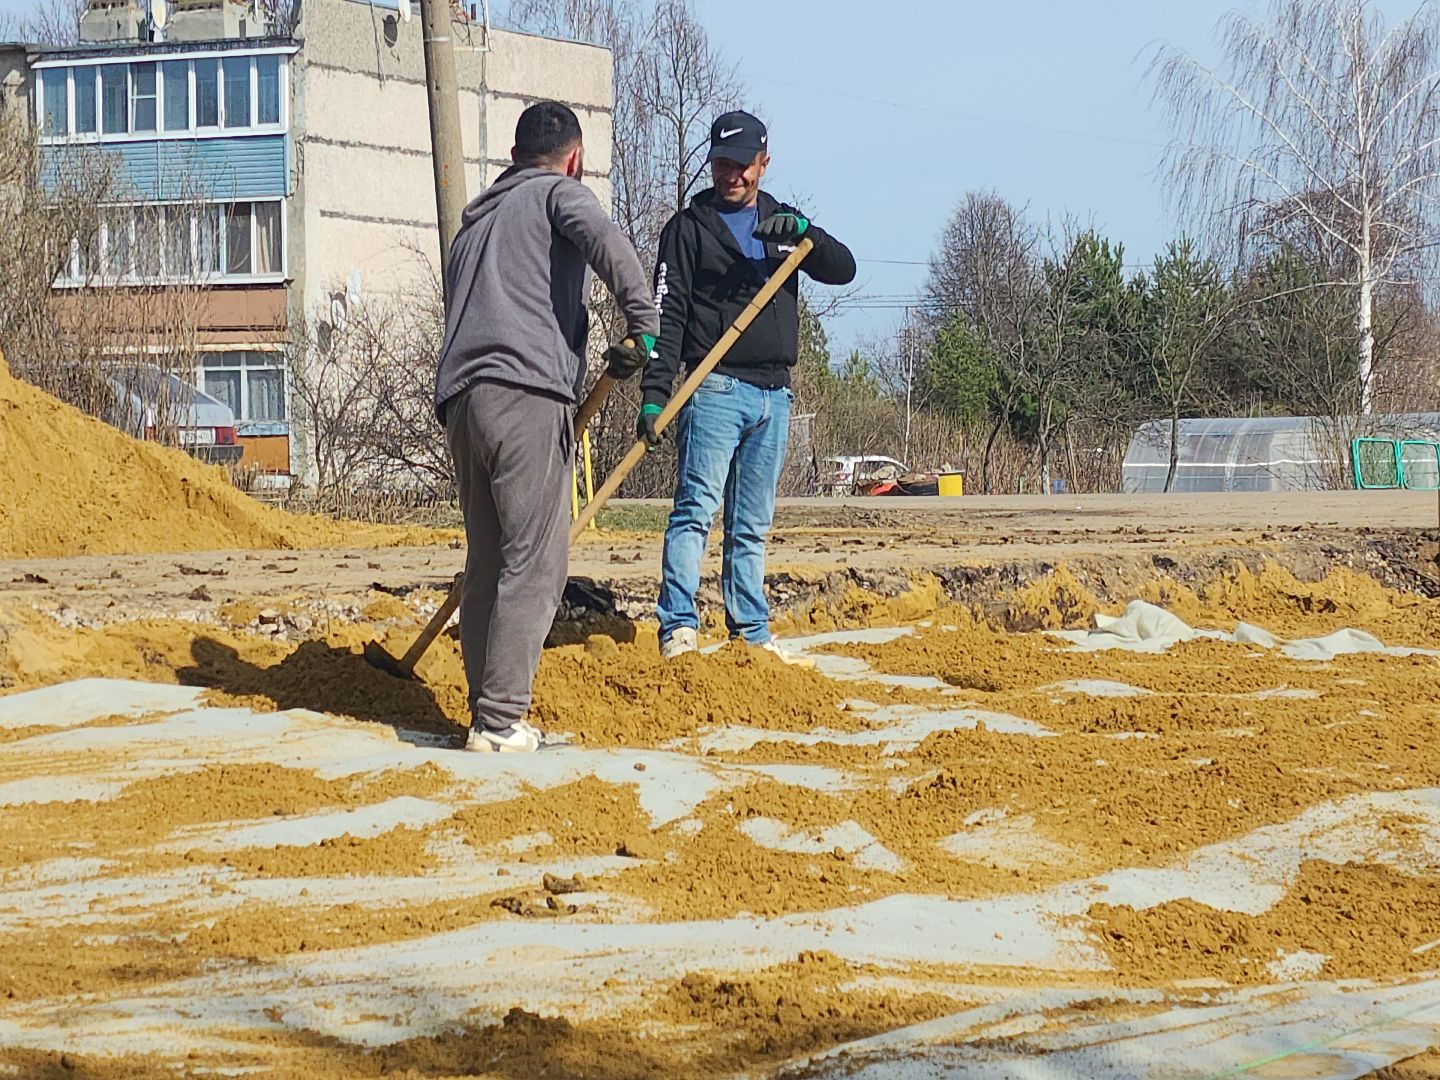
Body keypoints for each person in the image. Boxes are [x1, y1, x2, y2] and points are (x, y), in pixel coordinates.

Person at [435, 101, 657, 752]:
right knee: (534, 566)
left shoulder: (475, 222)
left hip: (462, 399)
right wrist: (644, 325)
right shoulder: (560, 193)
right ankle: (502, 722)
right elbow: (606, 242)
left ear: (512, 157)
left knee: (488, 563)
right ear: (575, 158)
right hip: (526, 393)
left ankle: (486, 717)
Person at [639, 110, 856, 661]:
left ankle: (750, 633)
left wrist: (808, 233)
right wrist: (656, 393)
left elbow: (843, 268)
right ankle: (679, 628)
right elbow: (668, 314)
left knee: (750, 524)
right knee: (695, 511)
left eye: (741, 164)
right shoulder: (687, 231)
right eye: (721, 164)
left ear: (764, 162)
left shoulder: (783, 225)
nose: (730, 174)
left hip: (774, 395)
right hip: (713, 389)